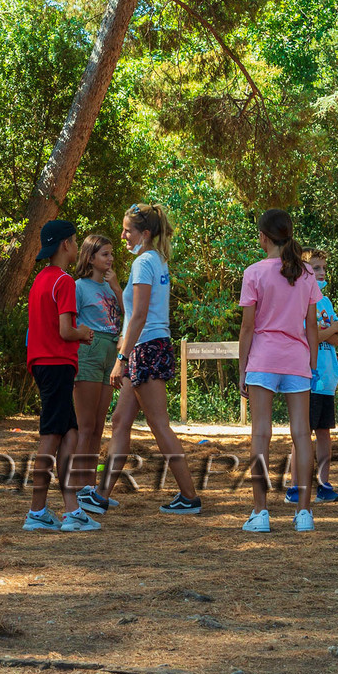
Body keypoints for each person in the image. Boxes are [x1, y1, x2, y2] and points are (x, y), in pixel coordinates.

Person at [95, 202, 201, 515]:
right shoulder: (154, 259)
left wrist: (122, 357)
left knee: (158, 424)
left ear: (145, 233)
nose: (123, 235)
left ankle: (190, 496)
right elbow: (137, 311)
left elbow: (139, 315)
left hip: (145, 348)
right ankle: (100, 495)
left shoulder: (144, 263)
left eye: (128, 230)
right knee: (120, 421)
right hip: (147, 347)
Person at [237, 207, 321, 535]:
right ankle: (304, 513)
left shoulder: (254, 272)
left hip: (262, 359)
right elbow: (311, 325)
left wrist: (242, 369)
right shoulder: (307, 273)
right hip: (297, 360)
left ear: (263, 237)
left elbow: (247, 328)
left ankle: (260, 513)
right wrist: (312, 363)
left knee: (261, 435)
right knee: (302, 435)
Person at [23, 219, 100, 534]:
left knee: (70, 433)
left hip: (43, 363)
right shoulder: (64, 281)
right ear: (66, 244)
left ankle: (72, 509)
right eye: (74, 240)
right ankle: (37, 510)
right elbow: (66, 330)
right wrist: (84, 333)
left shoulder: (40, 280)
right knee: (51, 436)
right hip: (56, 363)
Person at [288, 248, 338, 505]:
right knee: (303, 433)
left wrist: (326, 330)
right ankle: (295, 487)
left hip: (327, 378)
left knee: (324, 433)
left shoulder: (326, 301)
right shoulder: (297, 299)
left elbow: (336, 337)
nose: (321, 272)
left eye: (323, 267)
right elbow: (306, 337)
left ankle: (324, 484)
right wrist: (328, 329)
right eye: (316, 267)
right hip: (305, 377)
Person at [70, 232, 124, 504]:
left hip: (112, 352)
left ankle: (90, 490)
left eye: (112, 254)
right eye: (105, 254)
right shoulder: (78, 286)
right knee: (86, 425)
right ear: (90, 258)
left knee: (99, 425)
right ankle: (78, 487)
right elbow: (71, 321)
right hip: (89, 351)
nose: (111, 258)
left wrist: (116, 288)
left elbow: (129, 313)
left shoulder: (110, 285)